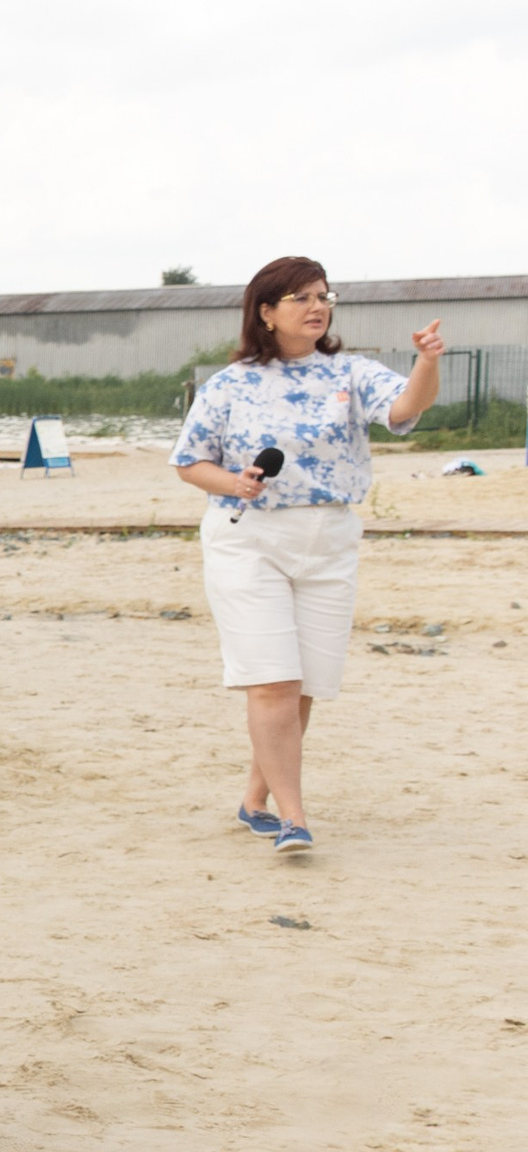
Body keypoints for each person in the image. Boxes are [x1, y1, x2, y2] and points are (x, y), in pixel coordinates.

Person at [171, 256, 440, 856]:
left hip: (331, 540)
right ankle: (294, 818)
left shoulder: (350, 373)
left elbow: (402, 411)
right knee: (273, 680)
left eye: (323, 295)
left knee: (306, 685)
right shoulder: (229, 384)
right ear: (266, 313)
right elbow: (191, 463)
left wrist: (428, 361)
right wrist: (232, 482)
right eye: (299, 297)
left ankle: (255, 799)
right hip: (249, 539)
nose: (317, 306)